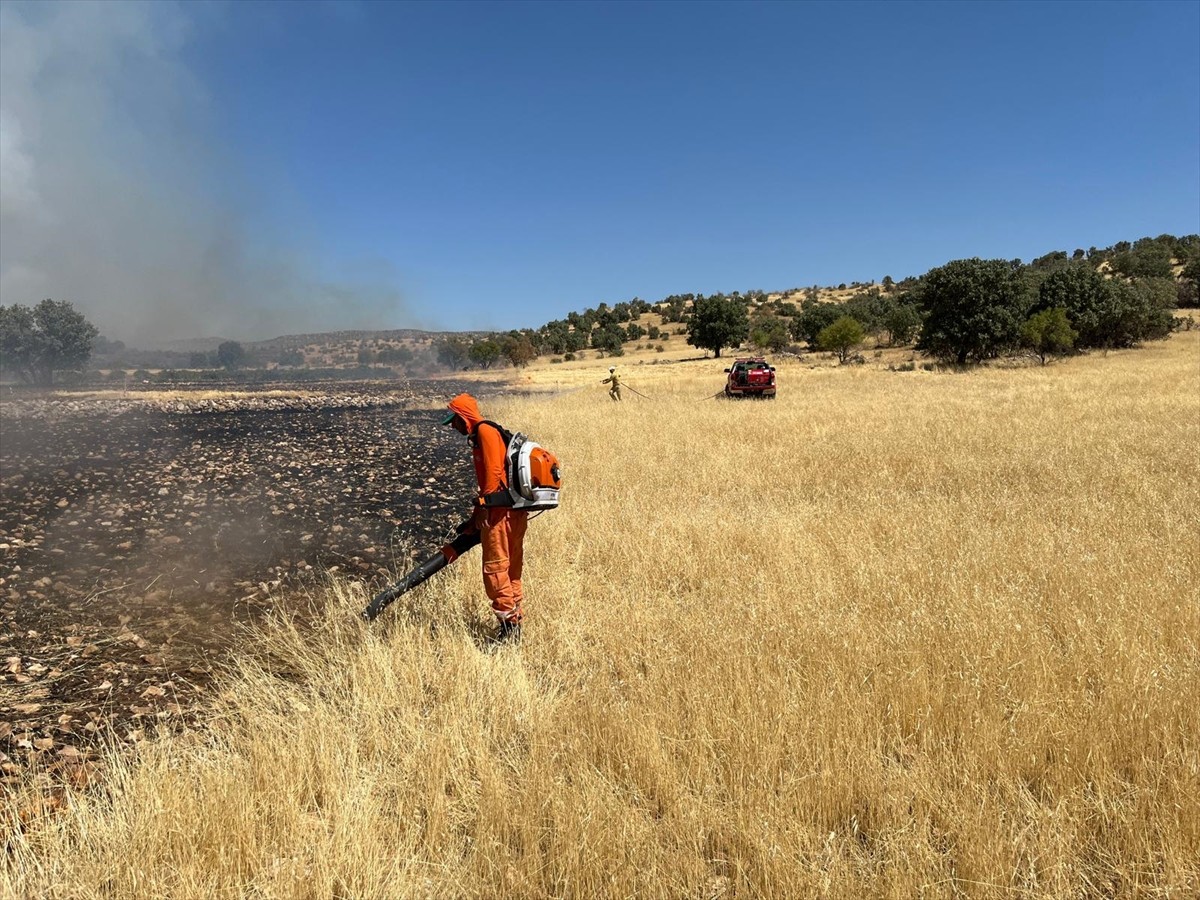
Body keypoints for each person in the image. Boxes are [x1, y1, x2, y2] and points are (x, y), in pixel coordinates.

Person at [441, 392, 528, 643]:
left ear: (463, 417)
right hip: (512, 511)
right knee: (510, 569)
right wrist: (471, 523)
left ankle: (509, 630)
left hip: (500, 516)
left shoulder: (485, 433)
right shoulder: (485, 433)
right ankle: (514, 618)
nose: (454, 427)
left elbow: (491, 481)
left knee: (496, 570)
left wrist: (485, 516)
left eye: (455, 421)